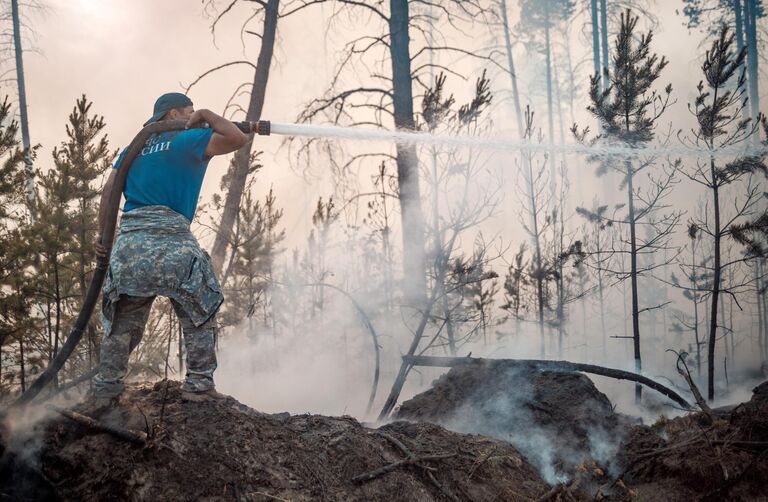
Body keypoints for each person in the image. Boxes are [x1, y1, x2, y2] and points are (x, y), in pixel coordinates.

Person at [91, 92, 248, 406]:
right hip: (172, 244)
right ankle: (199, 385)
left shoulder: (133, 149)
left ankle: (104, 390)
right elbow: (237, 137)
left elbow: (109, 192)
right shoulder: (188, 140)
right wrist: (207, 113)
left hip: (130, 247)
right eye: (189, 111)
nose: (194, 117)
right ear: (174, 113)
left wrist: (103, 240)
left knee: (123, 324)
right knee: (200, 308)